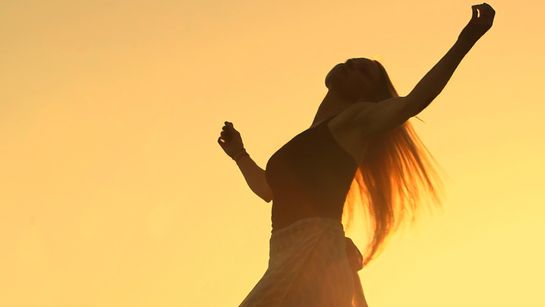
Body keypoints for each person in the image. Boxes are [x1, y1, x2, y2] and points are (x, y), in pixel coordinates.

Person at [218, 3, 495, 306]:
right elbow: (268, 190)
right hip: (287, 255)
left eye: (364, 71)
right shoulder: (309, 138)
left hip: (312, 251)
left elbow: (412, 102)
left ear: (368, 96)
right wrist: (239, 154)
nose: (353, 63)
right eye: (353, 61)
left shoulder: (354, 122)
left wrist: (465, 41)